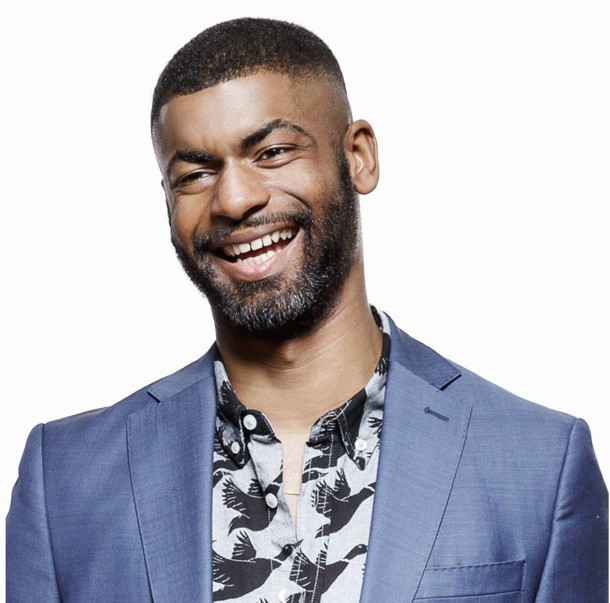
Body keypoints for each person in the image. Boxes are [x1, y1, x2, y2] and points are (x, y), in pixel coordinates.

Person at [6, 17, 607, 603]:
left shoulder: (541, 465)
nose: (234, 199)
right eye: (195, 174)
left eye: (271, 152)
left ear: (359, 157)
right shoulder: (64, 481)